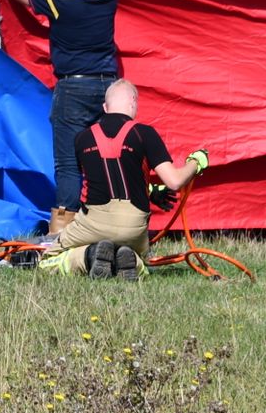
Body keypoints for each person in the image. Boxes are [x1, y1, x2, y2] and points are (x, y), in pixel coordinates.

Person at [0, 0, 119, 235]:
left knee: (68, 164)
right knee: (108, 156)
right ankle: (113, 224)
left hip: (72, 89)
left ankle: (63, 234)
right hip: (108, 88)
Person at [37, 80, 207, 280]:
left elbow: (102, 179)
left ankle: (88, 256)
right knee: (143, 261)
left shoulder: (82, 138)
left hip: (93, 224)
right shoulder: (145, 133)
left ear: (105, 107)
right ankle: (133, 261)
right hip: (133, 228)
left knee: (47, 261)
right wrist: (197, 161)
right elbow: (174, 182)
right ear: (133, 102)